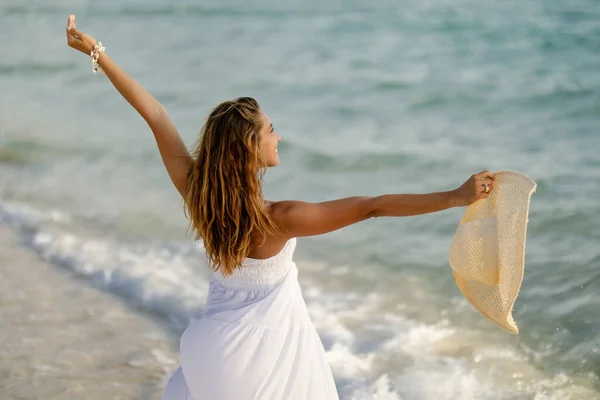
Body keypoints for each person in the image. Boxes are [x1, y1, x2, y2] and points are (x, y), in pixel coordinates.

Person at [65, 14, 495, 400]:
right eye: (271, 130)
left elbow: (156, 115)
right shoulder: (280, 219)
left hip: (212, 351)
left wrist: (97, 51)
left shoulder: (201, 197)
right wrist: (456, 197)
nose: (278, 136)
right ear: (250, 147)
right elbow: (372, 207)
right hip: (264, 356)